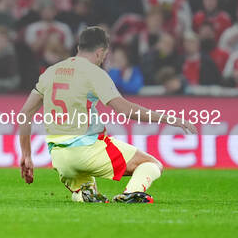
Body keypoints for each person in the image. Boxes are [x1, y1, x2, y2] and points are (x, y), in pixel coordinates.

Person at [18, 27, 196, 203]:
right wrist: (170, 119)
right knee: (151, 164)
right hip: (86, 150)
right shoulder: (95, 73)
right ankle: (132, 193)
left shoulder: (51, 72)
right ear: (100, 51)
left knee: (88, 190)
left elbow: (25, 114)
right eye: (104, 55)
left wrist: (26, 155)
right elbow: (126, 110)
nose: (103, 59)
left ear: (79, 48)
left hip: (59, 157)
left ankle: (83, 194)